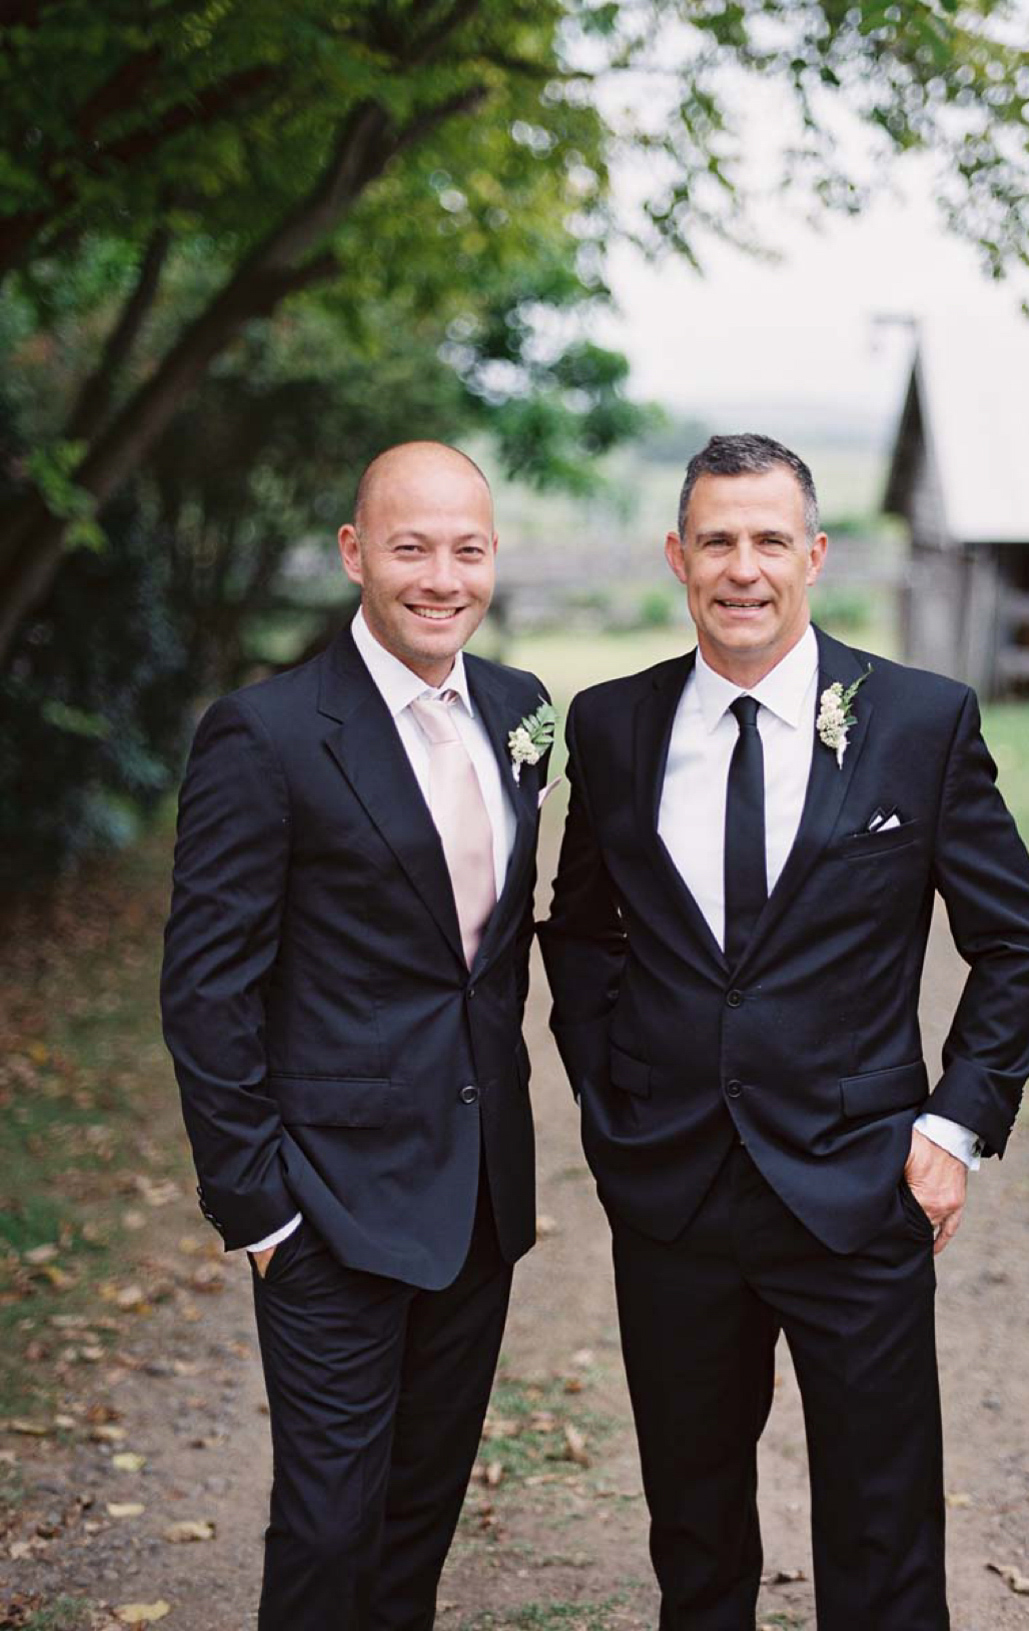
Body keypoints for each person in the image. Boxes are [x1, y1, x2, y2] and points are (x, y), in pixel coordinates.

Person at [538, 433, 1029, 1631]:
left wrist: (955, 1120)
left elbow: (1019, 940)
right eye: (716, 538)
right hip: (670, 1188)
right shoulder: (612, 726)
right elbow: (582, 931)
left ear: (814, 554)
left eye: (769, 538)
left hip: (855, 1181)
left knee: (882, 1527)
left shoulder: (919, 720)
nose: (743, 566)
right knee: (694, 1520)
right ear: (678, 555)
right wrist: (609, 1089)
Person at [161, 441, 552, 1631]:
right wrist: (261, 1211)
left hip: (480, 1196)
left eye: (468, 549)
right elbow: (206, 987)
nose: (442, 577)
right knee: (330, 1526)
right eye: (411, 546)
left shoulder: (521, 709)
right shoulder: (267, 732)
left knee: (419, 1517)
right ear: (354, 554)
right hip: (326, 1202)